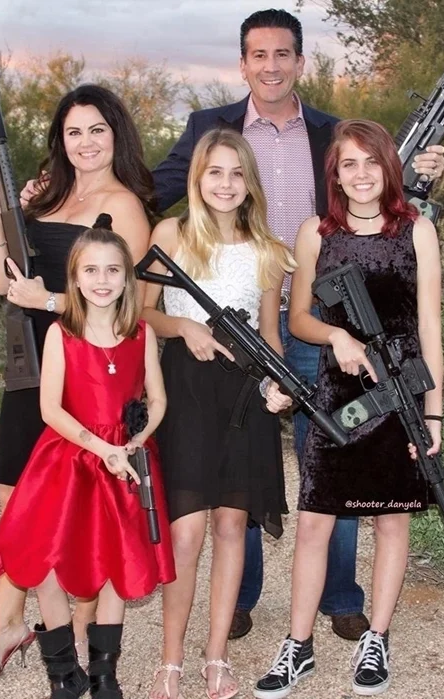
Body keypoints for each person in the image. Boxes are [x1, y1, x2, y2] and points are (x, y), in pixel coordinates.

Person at [151, 8, 444, 642]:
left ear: (300, 61)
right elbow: (154, 188)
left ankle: (339, 596)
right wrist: (70, 192)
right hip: (243, 321)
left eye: (282, 53)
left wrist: (421, 178)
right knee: (244, 460)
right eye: (258, 55)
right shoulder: (210, 129)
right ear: (243, 64)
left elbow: (377, 201)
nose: (271, 66)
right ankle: (240, 597)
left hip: (324, 319)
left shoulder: (331, 132)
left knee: (336, 455)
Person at [0, 84, 154, 682]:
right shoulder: (49, 193)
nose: (86, 142)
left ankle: (74, 631)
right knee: (15, 492)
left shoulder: (125, 207)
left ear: (116, 135)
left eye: (97, 129)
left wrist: (48, 299)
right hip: (31, 361)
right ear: (60, 140)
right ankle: (12, 623)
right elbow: (6, 281)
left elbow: (129, 306)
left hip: (88, 370)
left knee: (83, 504)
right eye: (74, 131)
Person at [253, 119, 443, 698]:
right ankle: (298, 646)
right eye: (348, 165)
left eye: (371, 162)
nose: (361, 175)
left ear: (390, 166)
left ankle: (376, 638)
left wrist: (434, 414)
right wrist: (336, 336)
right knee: (315, 520)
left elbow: (430, 329)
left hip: (401, 390)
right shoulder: (316, 232)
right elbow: (298, 318)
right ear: (333, 174)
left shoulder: (417, 230)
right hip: (338, 393)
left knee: (391, 519)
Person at [0, 222, 176, 699]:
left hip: (124, 463)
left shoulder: (141, 333)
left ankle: (104, 674)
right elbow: (50, 409)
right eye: (91, 270)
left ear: (127, 278)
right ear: (74, 277)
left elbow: (157, 400)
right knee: (44, 560)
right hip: (69, 459)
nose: (102, 280)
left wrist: (136, 440)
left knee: (115, 560)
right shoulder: (62, 333)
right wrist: (99, 447)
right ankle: (63, 673)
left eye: (112, 270)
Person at [144, 129, 295, 699]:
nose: (226, 184)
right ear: (197, 179)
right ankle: (170, 662)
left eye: (236, 173)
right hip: (184, 388)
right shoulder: (171, 234)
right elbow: (142, 313)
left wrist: (280, 384)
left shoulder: (268, 249)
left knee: (232, 527)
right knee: (185, 534)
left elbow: (271, 334)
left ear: (249, 182)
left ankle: (216, 658)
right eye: (215, 172)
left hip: (244, 394)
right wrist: (184, 326)